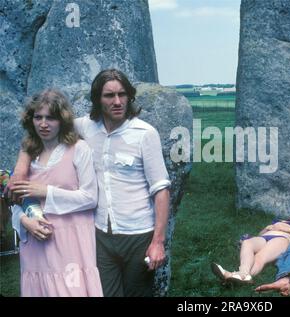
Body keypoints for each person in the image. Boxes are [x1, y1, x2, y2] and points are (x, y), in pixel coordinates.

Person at [10, 69, 171, 297]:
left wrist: (158, 242)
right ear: (97, 99)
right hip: (100, 236)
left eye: (122, 94)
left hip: (138, 233)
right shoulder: (85, 127)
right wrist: (20, 169)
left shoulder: (145, 134)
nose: (117, 101)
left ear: (129, 96)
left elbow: (161, 190)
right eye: (109, 95)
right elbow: (40, 131)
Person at [10, 89, 103, 296]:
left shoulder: (79, 149)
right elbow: (17, 201)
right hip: (35, 245)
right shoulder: (29, 154)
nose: (43, 124)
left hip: (71, 244)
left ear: (62, 120)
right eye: (38, 117)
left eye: (50, 118)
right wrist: (25, 222)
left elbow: (90, 197)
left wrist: (46, 191)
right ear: (30, 120)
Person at [211, 216, 290, 284]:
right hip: (265, 238)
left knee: (260, 257)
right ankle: (242, 275)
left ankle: (237, 275)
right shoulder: (280, 221)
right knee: (247, 243)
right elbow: (261, 233)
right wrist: (268, 228)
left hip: (281, 239)